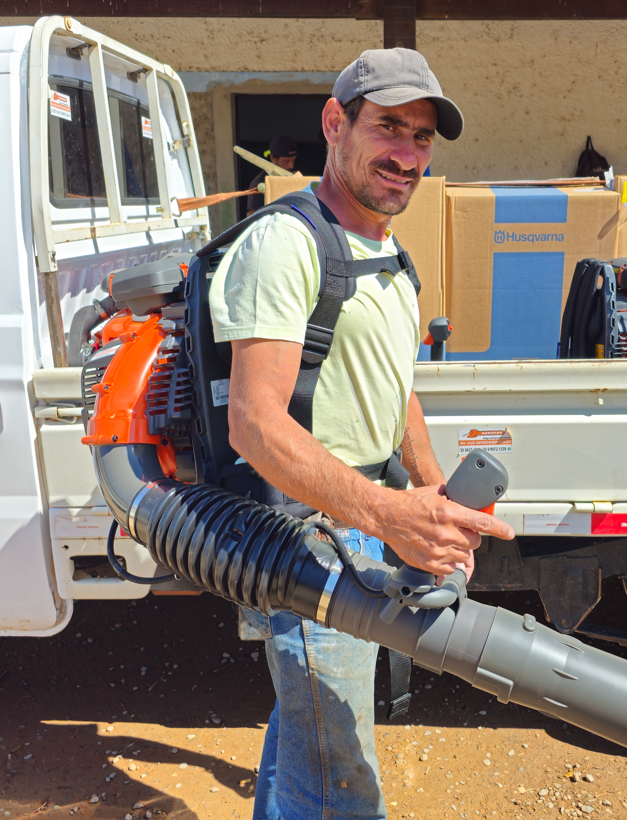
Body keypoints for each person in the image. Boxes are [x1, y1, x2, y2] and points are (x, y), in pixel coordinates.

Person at [209, 48, 515, 820]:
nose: (406, 155)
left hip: (366, 526)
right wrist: (382, 515)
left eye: (421, 138)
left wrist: (428, 489)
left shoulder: (385, 250)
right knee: (339, 761)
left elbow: (394, 385)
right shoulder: (285, 244)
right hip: (312, 535)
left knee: (310, 728)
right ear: (334, 123)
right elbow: (253, 421)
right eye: (389, 128)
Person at [245, 134, 299, 216]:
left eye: (293, 161)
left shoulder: (295, 177)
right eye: (286, 161)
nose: (291, 166)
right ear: (272, 158)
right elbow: (251, 215)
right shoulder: (258, 183)